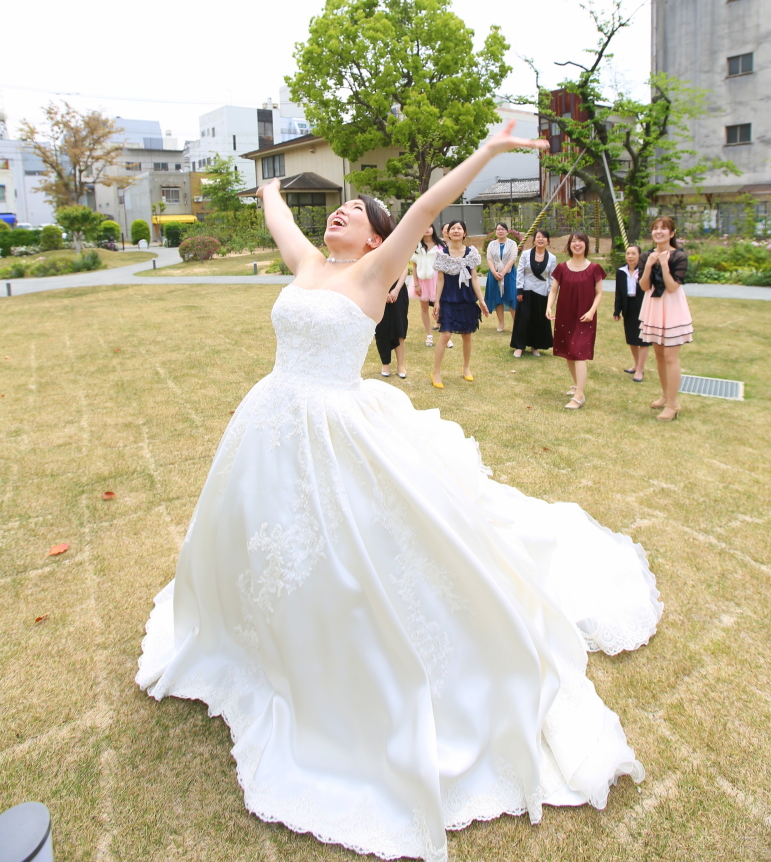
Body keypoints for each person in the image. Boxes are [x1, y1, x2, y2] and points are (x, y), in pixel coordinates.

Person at [137, 125, 662, 862]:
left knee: (352, 551)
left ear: (381, 237)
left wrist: (487, 153)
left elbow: (430, 202)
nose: (339, 215)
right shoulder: (310, 265)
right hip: (269, 421)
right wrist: (265, 192)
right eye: (337, 210)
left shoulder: (373, 273)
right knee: (260, 536)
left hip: (331, 427)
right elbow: (284, 223)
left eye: (354, 211)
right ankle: (253, 640)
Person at [639, 216, 693, 421]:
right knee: (660, 355)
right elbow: (644, 286)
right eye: (655, 228)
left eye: (664, 228)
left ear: (672, 233)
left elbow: (672, 287)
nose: (658, 231)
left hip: (671, 308)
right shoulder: (647, 256)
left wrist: (664, 264)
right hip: (654, 306)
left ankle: (673, 404)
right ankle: (665, 395)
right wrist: (649, 265)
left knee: (671, 357)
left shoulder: (679, 256)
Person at [546, 231, 606, 410]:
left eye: (580, 241)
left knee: (579, 353)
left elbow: (599, 293)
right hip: (565, 315)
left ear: (586, 244)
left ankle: (579, 396)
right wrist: (549, 307)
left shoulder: (594, 268)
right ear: (569, 245)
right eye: (574, 241)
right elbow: (553, 291)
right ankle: (577, 385)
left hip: (584, 317)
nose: (577, 244)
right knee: (568, 353)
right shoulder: (562, 268)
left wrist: (592, 311)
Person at [431, 221, 487, 385]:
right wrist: (436, 301)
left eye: (459, 228)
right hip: (448, 298)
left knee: (467, 335)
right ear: (447, 233)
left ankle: (466, 367)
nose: (456, 231)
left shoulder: (471, 253)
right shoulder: (442, 254)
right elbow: (440, 280)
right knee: (446, 334)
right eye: (452, 228)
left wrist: (481, 300)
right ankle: (435, 372)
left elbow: (475, 278)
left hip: (466, 298)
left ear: (465, 233)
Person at [512, 229, 557, 358]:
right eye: (538, 237)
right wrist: (519, 290)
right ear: (534, 240)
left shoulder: (552, 258)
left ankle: (535, 346)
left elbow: (552, 277)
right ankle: (519, 346)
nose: (541, 239)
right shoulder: (526, 254)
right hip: (526, 291)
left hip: (542, 292)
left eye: (543, 237)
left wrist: (550, 294)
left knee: (538, 320)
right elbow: (520, 272)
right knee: (523, 319)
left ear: (548, 241)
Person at [613, 244, 649, 382]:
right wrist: (617, 310)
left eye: (633, 253)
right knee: (632, 339)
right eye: (628, 253)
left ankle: (640, 369)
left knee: (643, 340)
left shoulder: (645, 271)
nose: (630, 256)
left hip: (643, 306)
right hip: (628, 306)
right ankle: (636, 364)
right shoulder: (621, 271)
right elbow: (619, 293)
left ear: (639, 255)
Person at [409, 225, 444, 345]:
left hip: (436, 278)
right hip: (421, 280)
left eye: (429, 226)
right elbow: (414, 265)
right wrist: (416, 284)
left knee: (440, 306)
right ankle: (429, 335)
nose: (427, 229)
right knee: (424, 308)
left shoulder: (440, 245)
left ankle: (445, 336)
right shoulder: (416, 246)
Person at [375, 267, 409, 377]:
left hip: (398, 290)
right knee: (382, 328)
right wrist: (383, 292)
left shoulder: (399, 249)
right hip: (379, 289)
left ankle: (401, 365)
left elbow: (404, 267)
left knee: (399, 326)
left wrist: (396, 290)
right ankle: (385, 364)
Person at [485, 223, 518, 332]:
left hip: (508, 274)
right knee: (497, 298)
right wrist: (494, 272)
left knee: (511, 296)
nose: (500, 231)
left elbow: (512, 259)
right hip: (494, 274)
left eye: (503, 229)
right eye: (498, 229)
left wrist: (503, 272)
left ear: (507, 231)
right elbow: (489, 259)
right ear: (495, 231)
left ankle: (516, 323)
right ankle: (501, 323)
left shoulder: (512, 244)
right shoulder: (491, 244)